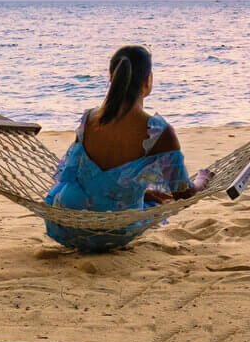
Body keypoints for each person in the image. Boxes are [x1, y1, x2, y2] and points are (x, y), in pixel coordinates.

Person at [44, 45, 210, 251]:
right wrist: (203, 180)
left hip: (65, 222)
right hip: (115, 230)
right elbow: (183, 194)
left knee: (150, 200)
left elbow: (74, 174)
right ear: (148, 81)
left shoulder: (89, 120)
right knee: (153, 205)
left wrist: (146, 192)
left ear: (112, 78)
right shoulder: (158, 132)